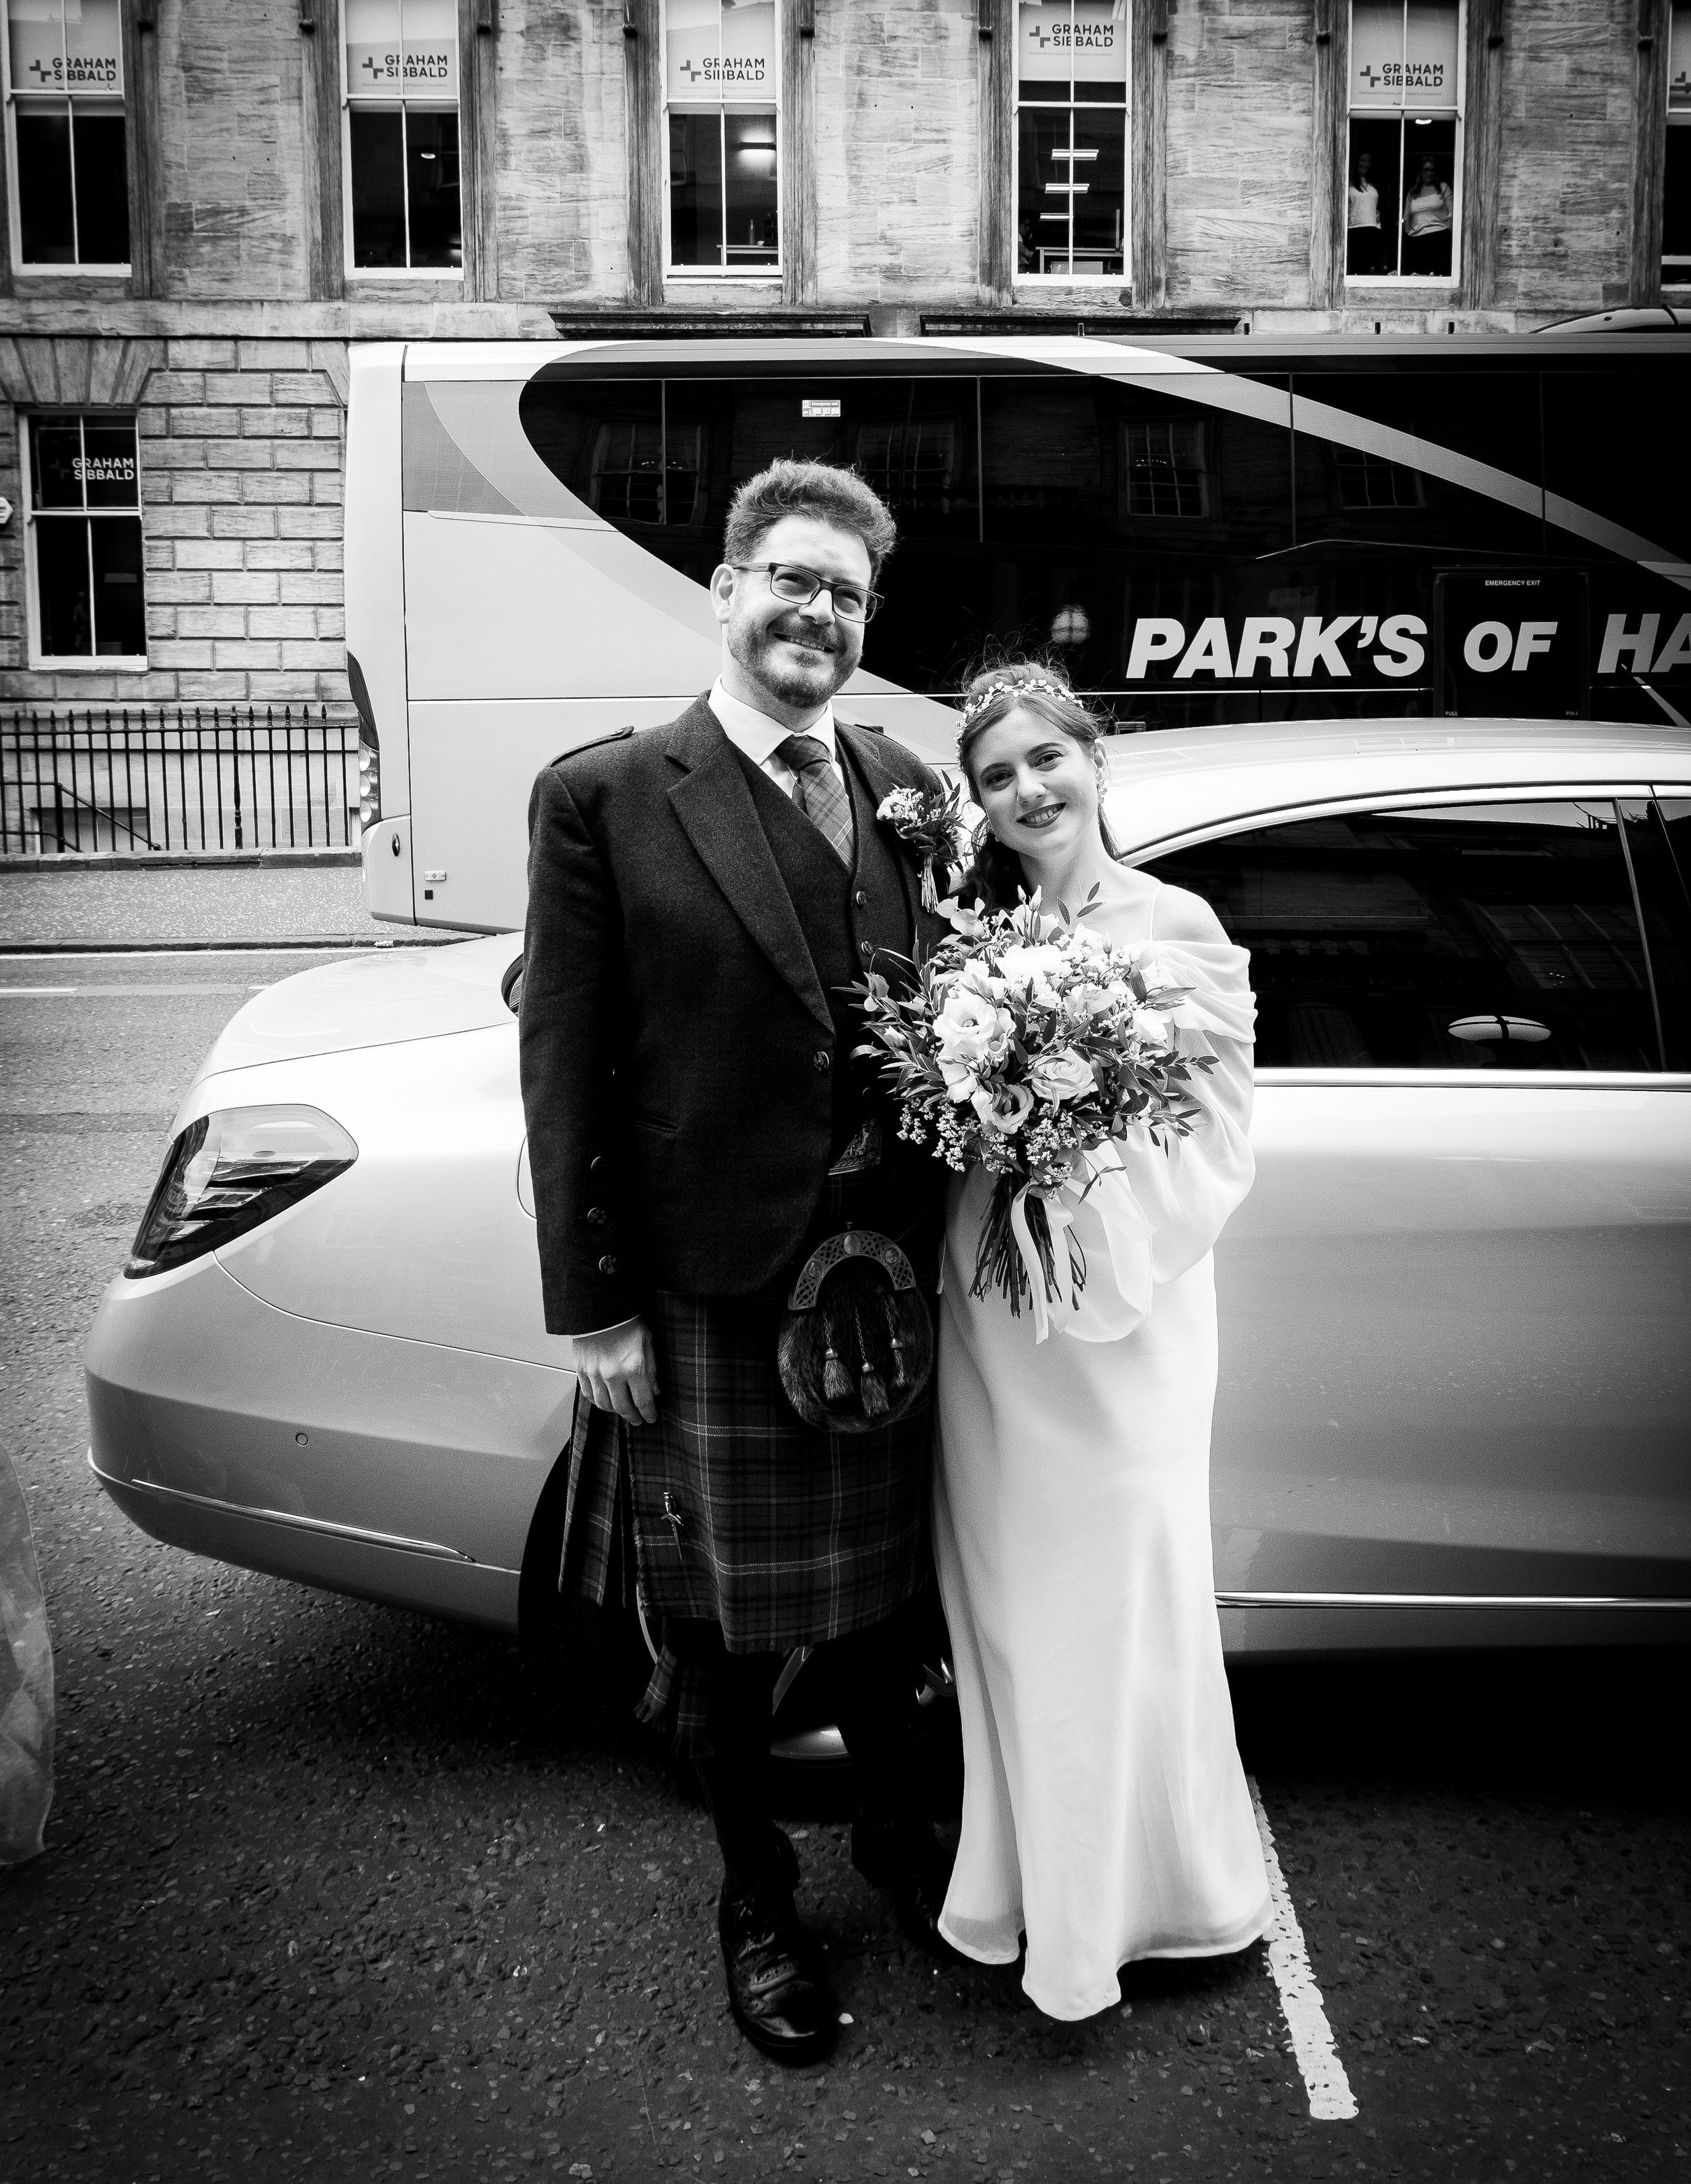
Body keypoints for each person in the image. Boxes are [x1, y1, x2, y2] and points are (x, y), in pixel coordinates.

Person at [518, 458, 955, 2065]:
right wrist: (594, 1307)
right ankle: (756, 1895)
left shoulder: (910, 782)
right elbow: (563, 1064)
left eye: (843, 592)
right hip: (708, 1288)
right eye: (790, 577)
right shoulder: (613, 795)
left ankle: (901, 1845)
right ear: (724, 587)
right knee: (713, 1633)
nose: (814, 612)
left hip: (882, 1295)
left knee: (887, 1616)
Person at [932, 660, 1273, 2021]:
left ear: (1091, 756)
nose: (1026, 790)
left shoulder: (1174, 919)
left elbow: (1216, 1132)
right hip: (996, 1320)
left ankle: (1166, 1895)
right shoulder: (971, 934)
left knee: (1128, 1596)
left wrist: (1091, 1218)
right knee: (1014, 1616)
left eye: (1042, 760)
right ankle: (1027, 1897)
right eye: (997, 775)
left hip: (1128, 1311)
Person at [1402, 154, 1453, 276]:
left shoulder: (1443, 188)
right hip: (1417, 240)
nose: (1429, 173)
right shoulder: (1413, 192)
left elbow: (1452, 212)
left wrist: (1449, 232)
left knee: (1437, 276)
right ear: (1421, 172)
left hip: (1439, 237)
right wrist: (1409, 232)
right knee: (1419, 276)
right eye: (1426, 170)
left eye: (1432, 170)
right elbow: (1406, 216)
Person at [1347, 147, 1385, 275]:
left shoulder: (1374, 184)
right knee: (1357, 266)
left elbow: (1377, 205)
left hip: (1373, 228)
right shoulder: (1349, 183)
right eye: (1363, 161)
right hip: (1356, 228)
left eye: (1368, 161)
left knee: (1370, 267)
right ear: (1357, 162)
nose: (1365, 164)